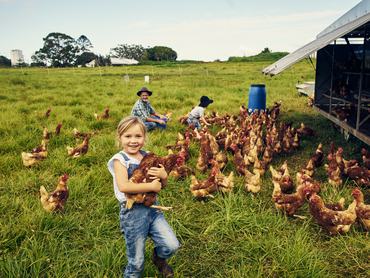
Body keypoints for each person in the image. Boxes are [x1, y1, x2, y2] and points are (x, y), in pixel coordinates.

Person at [107, 116, 179, 278]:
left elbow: (161, 186)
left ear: (144, 138)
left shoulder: (148, 156)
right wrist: (151, 186)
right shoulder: (120, 160)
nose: (133, 141)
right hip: (133, 213)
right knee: (137, 262)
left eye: (138, 136)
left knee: (171, 245)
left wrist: (163, 175)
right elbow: (124, 186)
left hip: (153, 209)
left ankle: (159, 259)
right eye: (128, 136)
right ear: (120, 138)